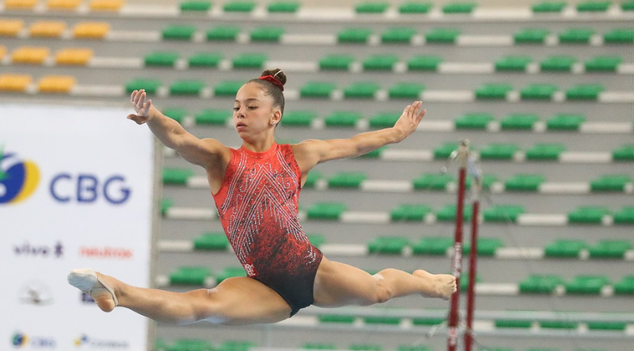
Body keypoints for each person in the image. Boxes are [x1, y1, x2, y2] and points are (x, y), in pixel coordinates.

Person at [68, 68, 457, 325]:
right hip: (265, 287)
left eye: (251, 106)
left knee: (380, 290)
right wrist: (152, 117)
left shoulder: (298, 155)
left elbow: (354, 144)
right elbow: (181, 138)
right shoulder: (222, 160)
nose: (240, 113)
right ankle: (115, 289)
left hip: (311, 270)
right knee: (202, 306)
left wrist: (397, 133)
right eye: (236, 107)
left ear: (274, 115)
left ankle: (424, 282)